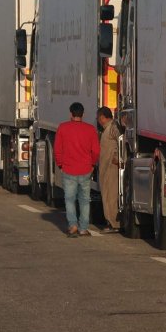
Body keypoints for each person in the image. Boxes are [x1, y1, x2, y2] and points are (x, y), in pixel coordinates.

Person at [53, 101, 99, 236]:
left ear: (70, 114)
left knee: (69, 199)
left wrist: (60, 165)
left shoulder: (63, 128)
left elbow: (57, 149)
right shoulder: (90, 129)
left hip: (68, 169)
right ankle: (83, 228)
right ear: (83, 114)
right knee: (84, 200)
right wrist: (92, 164)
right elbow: (96, 151)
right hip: (85, 169)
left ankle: (72, 225)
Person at [97, 106, 121, 231]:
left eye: (99, 118)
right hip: (106, 168)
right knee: (107, 194)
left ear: (102, 117)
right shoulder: (107, 129)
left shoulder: (113, 127)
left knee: (111, 195)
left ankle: (114, 223)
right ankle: (111, 221)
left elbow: (120, 140)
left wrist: (117, 156)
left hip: (112, 167)